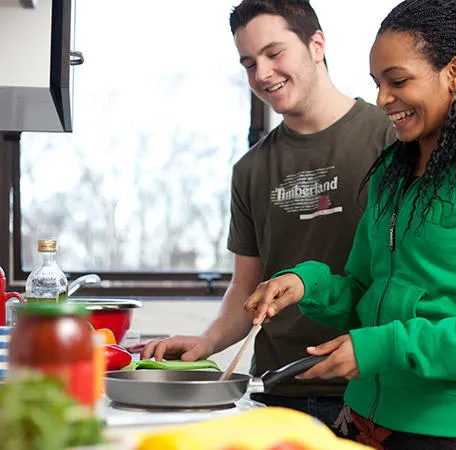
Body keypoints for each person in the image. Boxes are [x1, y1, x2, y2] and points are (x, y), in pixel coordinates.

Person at [243, 0, 456, 448]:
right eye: (378, 84)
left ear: (454, 73)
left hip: (453, 430)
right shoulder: (394, 168)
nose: (381, 100)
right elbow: (361, 289)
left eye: (398, 81)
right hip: (363, 419)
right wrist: (305, 284)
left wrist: (384, 347)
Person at [137, 0, 396, 429]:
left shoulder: (390, 136)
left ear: (316, 44)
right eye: (248, 63)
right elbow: (246, 287)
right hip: (274, 392)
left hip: (369, 391)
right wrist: (208, 341)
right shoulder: (250, 170)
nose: (262, 74)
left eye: (274, 54)